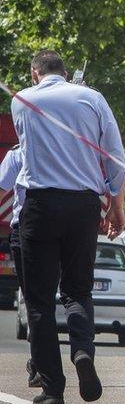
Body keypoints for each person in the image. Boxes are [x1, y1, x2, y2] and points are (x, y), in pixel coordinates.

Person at [11, 50, 125, 404]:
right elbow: (115, 157)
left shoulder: (22, 102)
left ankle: (52, 388)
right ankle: (82, 352)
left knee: (40, 302)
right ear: (64, 71)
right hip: (83, 206)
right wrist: (115, 206)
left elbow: (25, 154)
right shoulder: (92, 97)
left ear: (34, 73)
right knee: (78, 290)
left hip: (41, 205)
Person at [0, 144, 40, 388]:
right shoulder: (63, 150)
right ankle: (81, 351)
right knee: (69, 296)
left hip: (25, 230)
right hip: (65, 229)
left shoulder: (19, 152)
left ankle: (39, 364)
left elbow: (3, 183)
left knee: (35, 302)